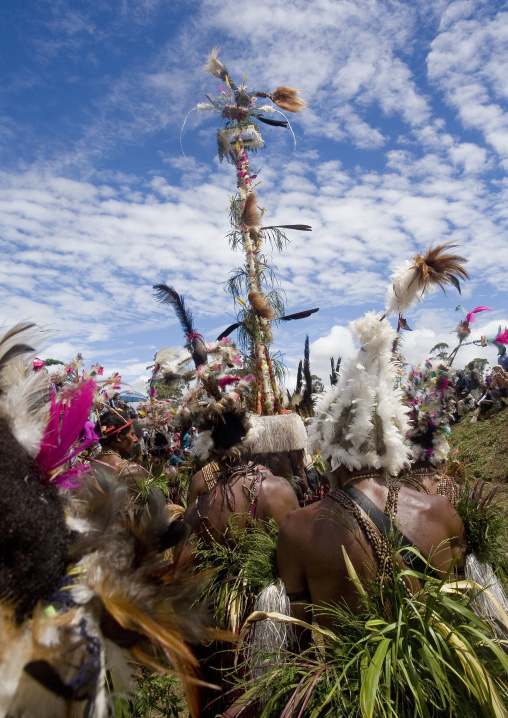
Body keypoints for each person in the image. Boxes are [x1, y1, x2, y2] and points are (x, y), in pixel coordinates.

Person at [277, 312, 465, 641]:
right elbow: (463, 615)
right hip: (435, 691)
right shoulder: (441, 512)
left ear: (331, 452)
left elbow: (300, 640)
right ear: (393, 440)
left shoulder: (296, 528)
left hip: (347, 689)